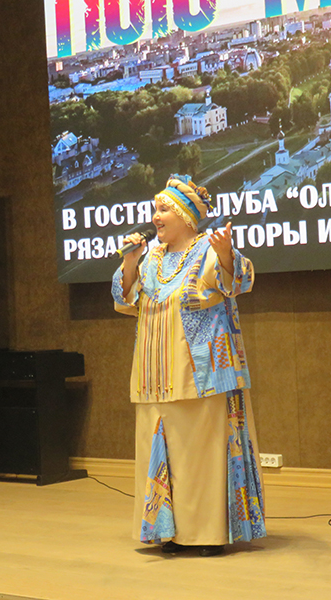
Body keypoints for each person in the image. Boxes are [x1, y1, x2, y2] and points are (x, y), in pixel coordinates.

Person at [112, 174, 265, 557]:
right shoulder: (151, 260)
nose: (155, 216)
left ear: (185, 216)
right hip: (154, 375)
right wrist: (130, 260)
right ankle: (167, 531)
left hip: (202, 375)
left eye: (163, 209)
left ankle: (207, 534)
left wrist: (227, 253)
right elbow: (126, 299)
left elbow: (238, 281)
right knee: (162, 450)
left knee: (201, 457)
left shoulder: (207, 251)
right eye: (155, 209)